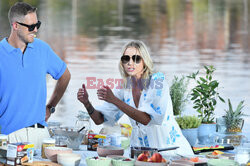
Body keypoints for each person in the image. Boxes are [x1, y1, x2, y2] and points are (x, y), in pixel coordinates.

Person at [77, 40, 193, 155]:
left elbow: (146, 119)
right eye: (126, 59)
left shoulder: (158, 82)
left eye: (136, 59)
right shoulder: (123, 87)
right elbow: (100, 120)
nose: (130, 63)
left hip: (170, 152)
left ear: (144, 62)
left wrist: (114, 100)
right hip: (141, 154)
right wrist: (87, 103)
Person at [0, 2, 71, 148]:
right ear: (15, 26)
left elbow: (65, 75)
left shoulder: (42, 49)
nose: (36, 30)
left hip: (39, 135)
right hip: (9, 138)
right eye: (31, 26)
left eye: (37, 24)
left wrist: (51, 106)